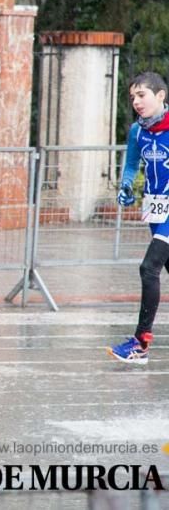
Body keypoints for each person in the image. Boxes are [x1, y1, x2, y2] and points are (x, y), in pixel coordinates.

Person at [109, 71, 169, 365]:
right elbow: (132, 164)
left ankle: (140, 343)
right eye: (132, 96)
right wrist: (125, 187)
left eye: (141, 95)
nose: (136, 101)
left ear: (160, 96)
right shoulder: (137, 131)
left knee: (149, 268)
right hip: (155, 210)